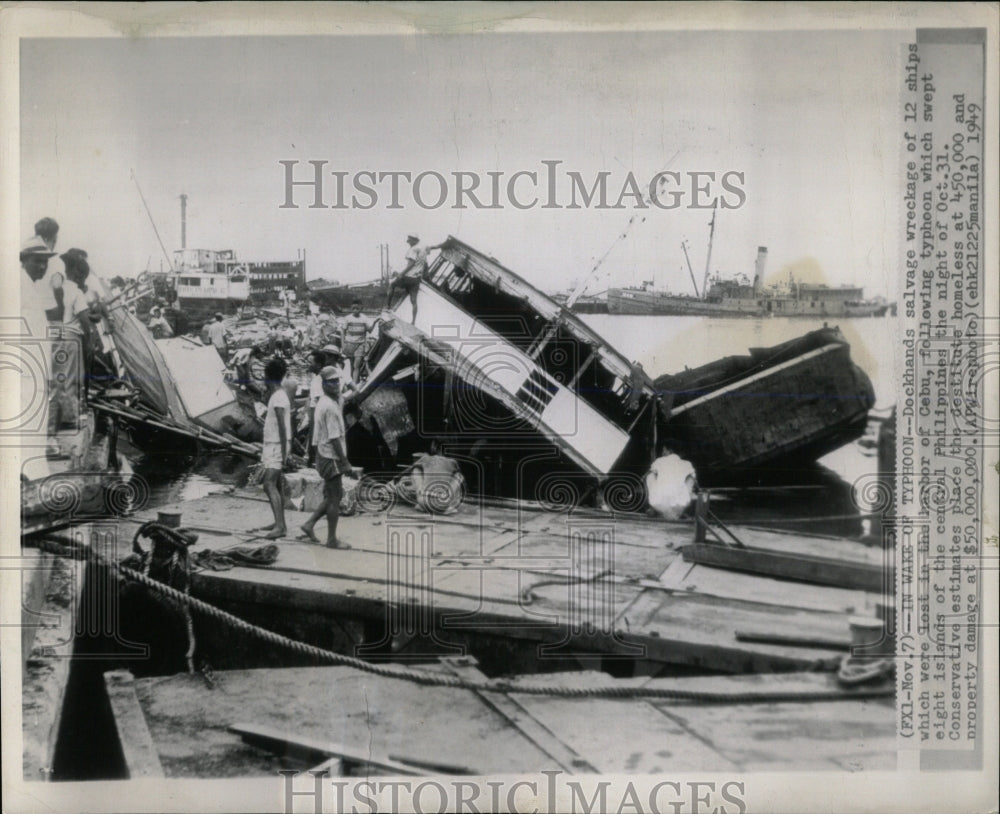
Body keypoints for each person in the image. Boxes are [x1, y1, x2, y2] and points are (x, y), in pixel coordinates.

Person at [299, 365, 353, 548]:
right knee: (335, 497)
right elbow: (334, 438)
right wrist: (345, 462)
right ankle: (331, 539)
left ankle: (309, 524)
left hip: (324, 454)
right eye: (331, 382)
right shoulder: (329, 406)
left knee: (332, 495)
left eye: (337, 381)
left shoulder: (327, 401)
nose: (336, 384)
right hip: (330, 455)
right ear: (324, 384)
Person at [20, 235, 58, 464]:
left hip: (35, 368)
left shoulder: (31, 287)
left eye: (45, 262)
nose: (43, 266)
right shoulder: (20, 285)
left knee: (34, 423)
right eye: (37, 261)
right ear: (24, 260)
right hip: (25, 369)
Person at [49, 249, 93, 431]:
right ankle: (70, 418)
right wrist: (90, 343)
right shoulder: (76, 292)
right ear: (77, 273)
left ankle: (57, 419)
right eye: (82, 276)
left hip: (57, 336)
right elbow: (85, 320)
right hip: (72, 339)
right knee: (72, 379)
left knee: (58, 379)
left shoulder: (58, 288)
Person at [252, 357, 291, 540]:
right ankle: (279, 522)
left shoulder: (279, 397)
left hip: (277, 445)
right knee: (276, 484)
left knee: (268, 483)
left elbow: (283, 427)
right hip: (274, 444)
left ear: (268, 377)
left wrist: (284, 453)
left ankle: (280, 526)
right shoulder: (277, 396)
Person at [385, 234, 440, 323]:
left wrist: (401, 274)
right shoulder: (424, 247)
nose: (407, 241)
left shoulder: (413, 249)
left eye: (409, 240)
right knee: (414, 301)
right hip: (416, 279)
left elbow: (411, 264)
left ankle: (388, 306)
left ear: (415, 240)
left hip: (408, 277)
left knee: (392, 285)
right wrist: (444, 245)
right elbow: (433, 247)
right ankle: (413, 321)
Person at [339, 300, 372, 382]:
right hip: (349, 344)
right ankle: (354, 383)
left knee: (356, 365)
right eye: (353, 308)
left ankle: (355, 385)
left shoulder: (364, 318)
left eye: (357, 308)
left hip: (360, 344)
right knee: (351, 365)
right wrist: (343, 344)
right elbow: (343, 332)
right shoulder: (348, 318)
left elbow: (370, 330)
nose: (355, 310)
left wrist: (375, 322)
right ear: (351, 308)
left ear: (361, 308)